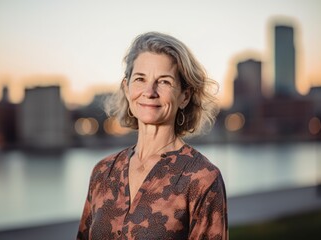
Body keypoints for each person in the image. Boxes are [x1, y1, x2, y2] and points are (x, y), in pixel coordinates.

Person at [77, 32, 228, 240]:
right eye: (140, 79)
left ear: (184, 96)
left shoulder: (202, 178)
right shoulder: (102, 172)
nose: (150, 91)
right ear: (126, 88)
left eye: (164, 82)